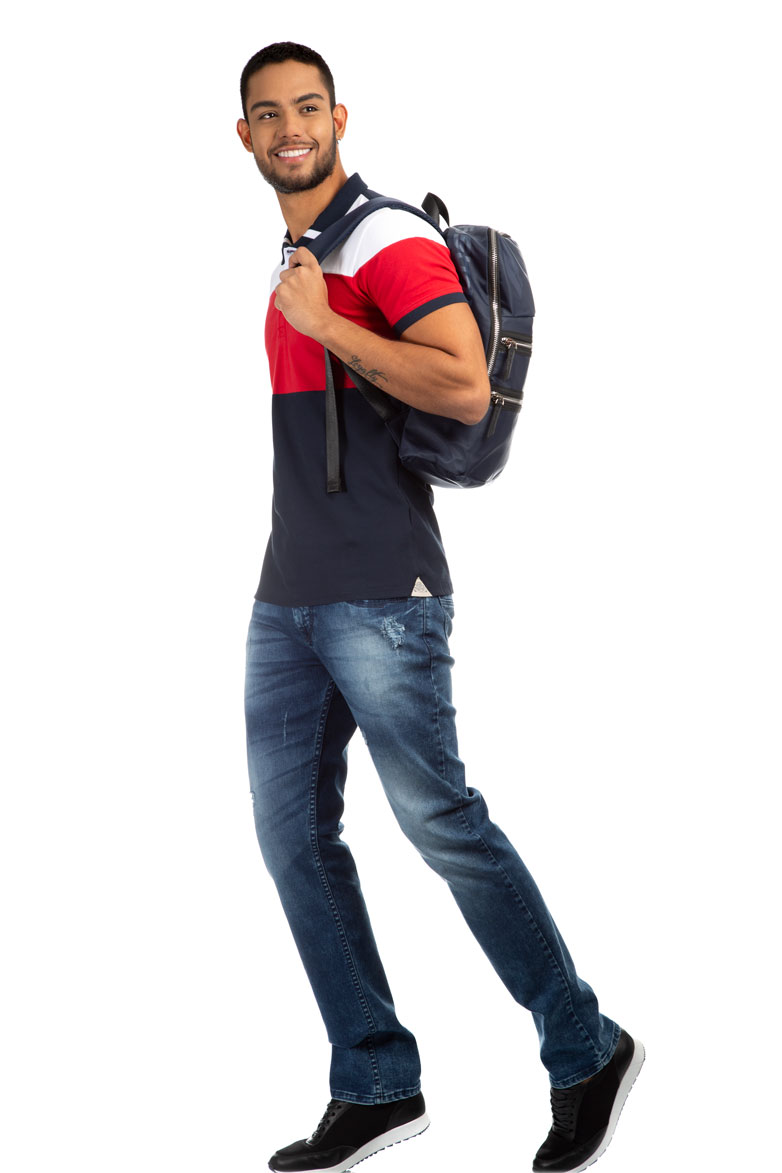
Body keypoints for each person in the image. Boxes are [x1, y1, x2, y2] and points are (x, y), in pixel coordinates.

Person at [236, 41, 644, 1173]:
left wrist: (328, 325)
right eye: (268, 113)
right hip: (288, 596)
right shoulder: (302, 249)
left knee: (440, 824)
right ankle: (375, 1080)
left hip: (382, 593)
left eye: (307, 107)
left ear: (340, 119)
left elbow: (462, 384)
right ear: (244, 135)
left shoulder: (382, 239)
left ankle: (586, 1047)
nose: (289, 128)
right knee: (291, 838)